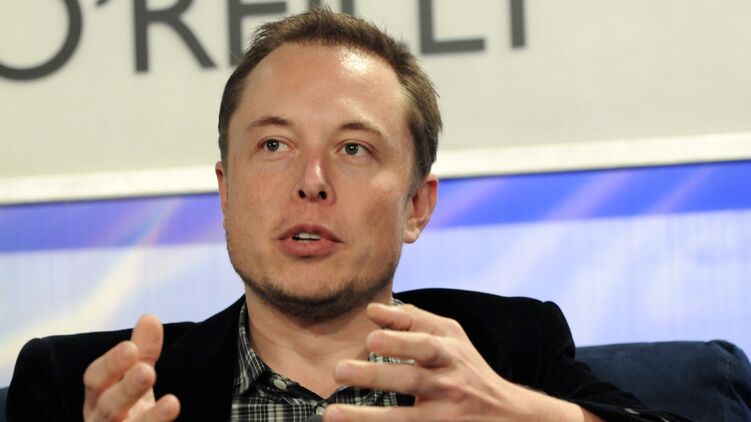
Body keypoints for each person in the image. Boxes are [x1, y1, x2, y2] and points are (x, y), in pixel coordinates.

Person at [7, 8, 688, 422]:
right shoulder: (82, 387)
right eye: (274, 146)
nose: (311, 183)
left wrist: (524, 416)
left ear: (417, 205)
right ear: (225, 191)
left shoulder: (508, 349)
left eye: (353, 149)